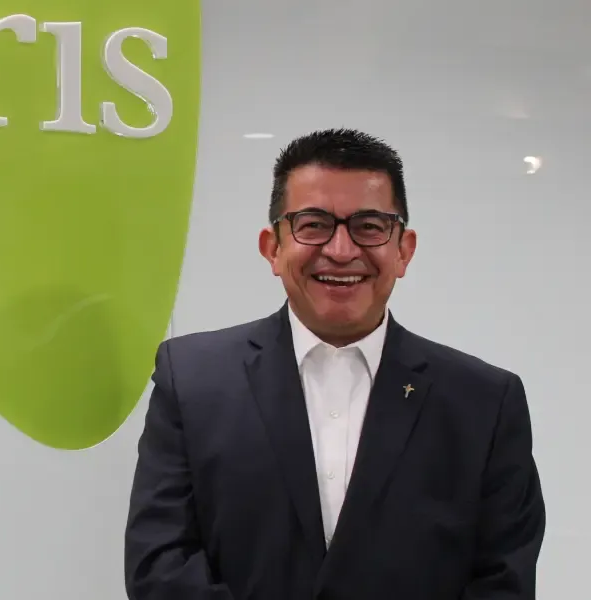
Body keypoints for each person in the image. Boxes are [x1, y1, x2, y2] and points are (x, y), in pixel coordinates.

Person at [123, 128, 545, 600]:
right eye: (313, 224)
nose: (341, 251)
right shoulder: (192, 380)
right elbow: (160, 565)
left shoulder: (483, 403)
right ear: (273, 247)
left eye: (370, 226)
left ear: (403, 250)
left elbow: (503, 580)